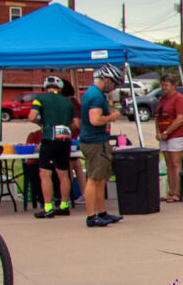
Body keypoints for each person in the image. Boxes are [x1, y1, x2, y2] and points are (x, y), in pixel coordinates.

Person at [29, 75, 78, 216]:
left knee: (45, 174)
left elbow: (32, 116)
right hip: (65, 139)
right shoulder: (68, 102)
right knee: (63, 173)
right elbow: (76, 124)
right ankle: (64, 205)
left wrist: (42, 123)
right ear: (60, 87)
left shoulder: (40, 99)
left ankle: (48, 207)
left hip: (49, 138)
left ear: (45, 87)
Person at [80, 67, 121, 227]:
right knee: (94, 179)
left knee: (100, 178)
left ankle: (102, 212)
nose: (114, 88)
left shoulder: (95, 93)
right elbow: (95, 120)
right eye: (114, 84)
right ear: (107, 80)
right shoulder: (96, 96)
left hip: (98, 140)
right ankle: (91, 216)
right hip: (94, 141)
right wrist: (112, 117)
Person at [153, 75, 183, 200]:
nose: (164, 87)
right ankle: (170, 191)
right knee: (168, 163)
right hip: (164, 135)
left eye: (167, 85)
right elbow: (158, 117)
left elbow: (180, 118)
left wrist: (167, 131)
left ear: (174, 85)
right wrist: (158, 132)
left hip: (176, 134)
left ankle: (177, 192)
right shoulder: (162, 99)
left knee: (175, 162)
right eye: (162, 85)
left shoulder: (178, 98)